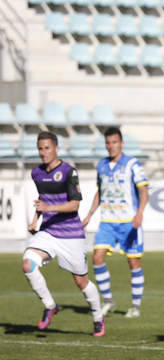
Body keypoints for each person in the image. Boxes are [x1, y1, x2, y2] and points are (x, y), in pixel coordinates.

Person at [22, 131, 105, 337]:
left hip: (71, 235)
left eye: (47, 148)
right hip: (49, 232)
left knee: (81, 281)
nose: (43, 153)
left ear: (56, 148)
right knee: (28, 264)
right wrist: (35, 219)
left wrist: (49, 208)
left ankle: (97, 317)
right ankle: (50, 306)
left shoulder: (69, 172)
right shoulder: (37, 173)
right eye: (40, 149)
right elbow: (43, 198)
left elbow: (75, 205)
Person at [81, 127, 149, 318]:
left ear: (122, 143)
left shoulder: (133, 165)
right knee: (96, 258)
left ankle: (135, 306)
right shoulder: (101, 165)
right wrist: (89, 215)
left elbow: (144, 191)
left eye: (114, 142)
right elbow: (100, 192)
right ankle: (108, 301)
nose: (111, 146)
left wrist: (140, 213)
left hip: (129, 222)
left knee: (134, 262)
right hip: (108, 222)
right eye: (108, 143)